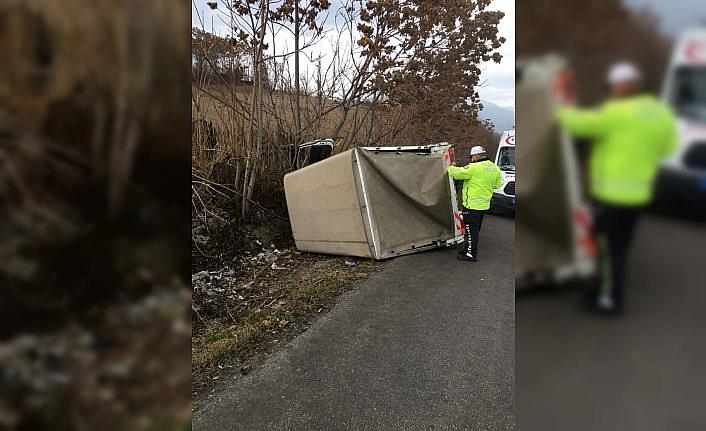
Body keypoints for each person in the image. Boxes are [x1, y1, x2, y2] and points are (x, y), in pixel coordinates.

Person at [557, 61, 677, 314]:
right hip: (639, 193)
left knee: (608, 250)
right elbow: (669, 148)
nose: (611, 90)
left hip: (612, 194)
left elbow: (576, 123)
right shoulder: (661, 113)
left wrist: (560, 98)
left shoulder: (617, 111)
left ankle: (609, 299)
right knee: (620, 247)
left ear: (623, 85)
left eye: (612, 85)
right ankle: (606, 291)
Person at [447, 146, 503, 262]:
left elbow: (457, 174)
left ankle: (471, 254)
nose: (471, 159)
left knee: (470, 231)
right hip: (483, 205)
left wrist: (448, 167)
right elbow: (497, 185)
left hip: (471, 206)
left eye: (472, 157)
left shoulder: (474, 167)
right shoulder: (495, 168)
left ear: (476, 156)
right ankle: (467, 249)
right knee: (475, 229)